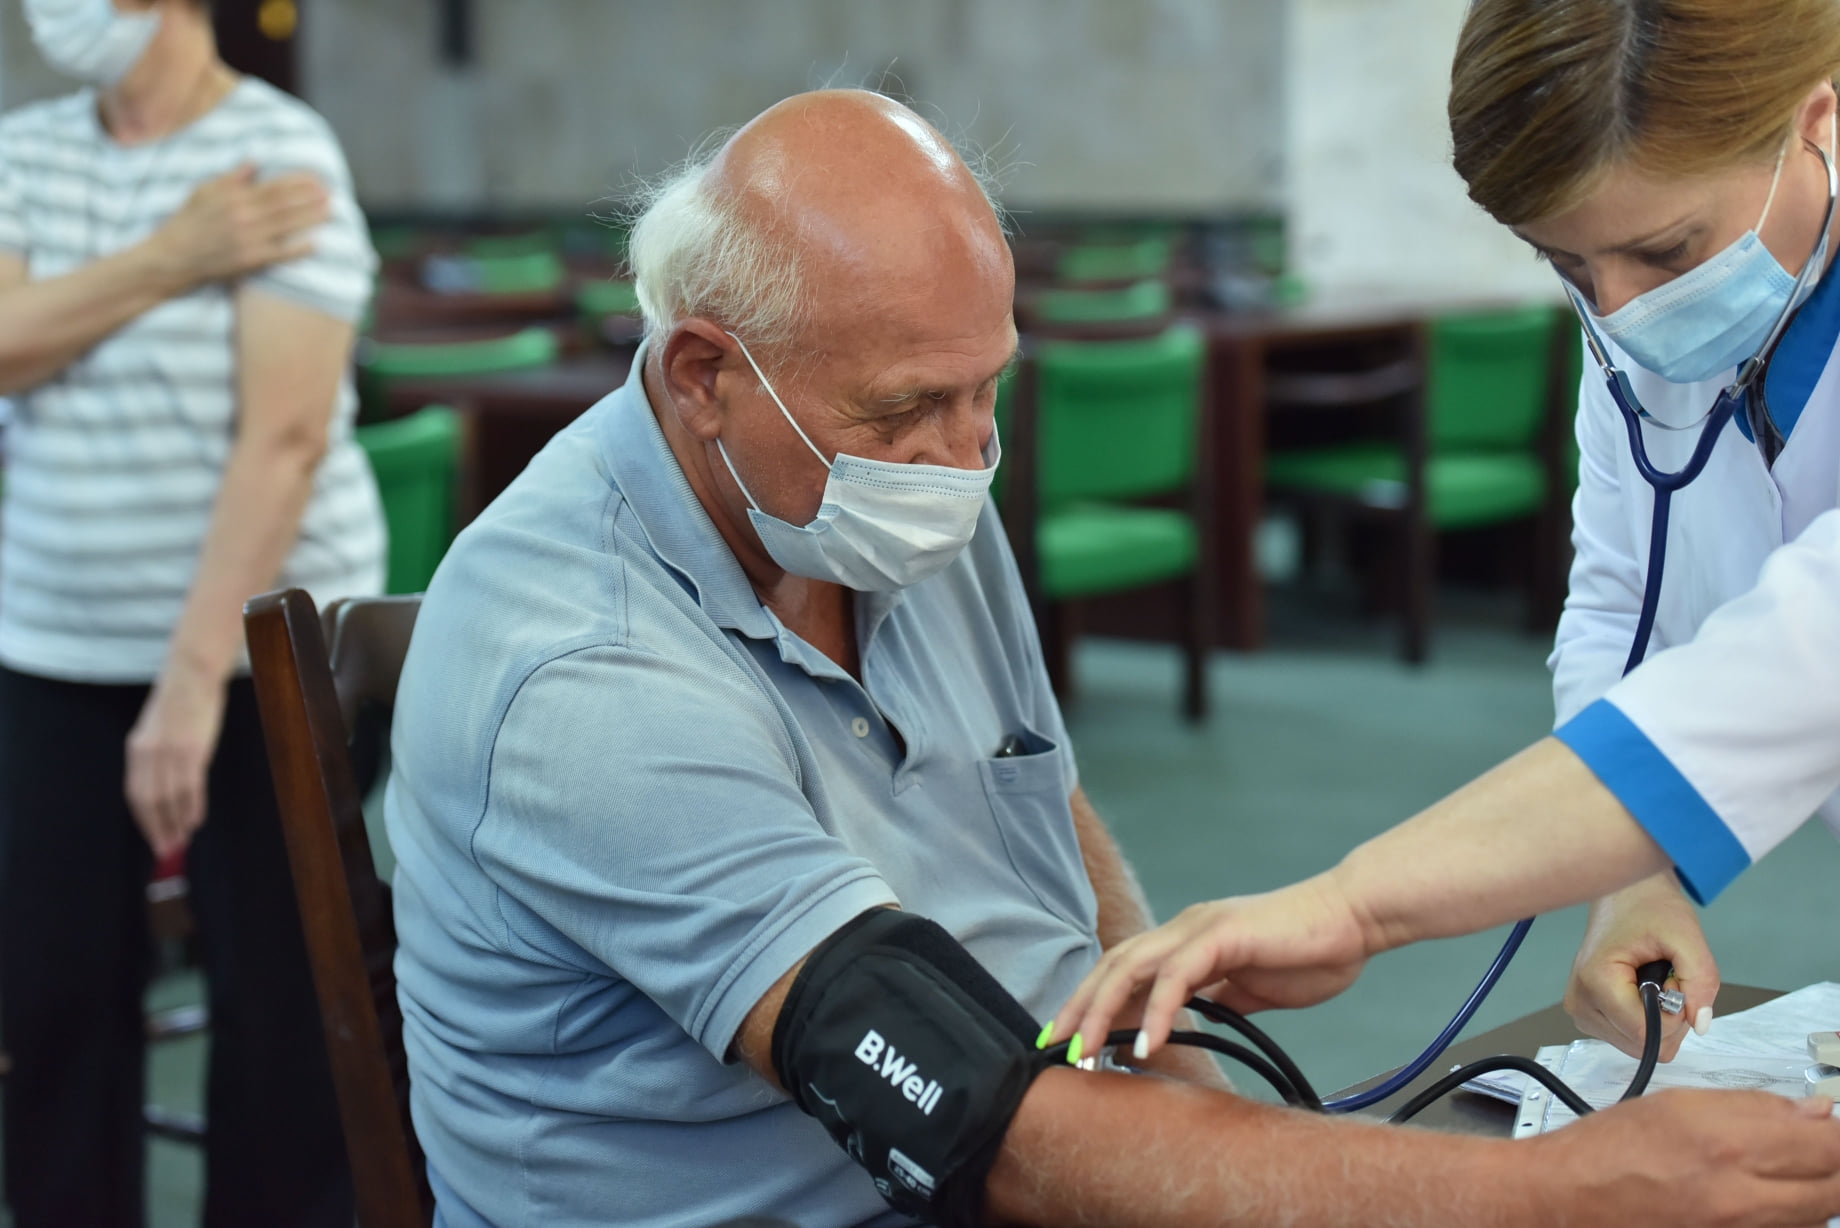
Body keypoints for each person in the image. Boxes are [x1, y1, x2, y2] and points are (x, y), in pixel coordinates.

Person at [385, 87, 1840, 1228]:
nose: (964, 464)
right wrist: (1543, 1202)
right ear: (707, 374)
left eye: (987, 393)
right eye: (908, 412)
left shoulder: (880, 507)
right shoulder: (580, 673)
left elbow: (1042, 807)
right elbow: (959, 1113)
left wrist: (1194, 1094)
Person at [1054, 0, 1840, 1088]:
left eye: (1665, 251)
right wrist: (1634, 879)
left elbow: (1801, 660)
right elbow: (1621, 597)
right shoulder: (1647, 322)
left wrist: (1351, 905)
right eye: (1565, 261)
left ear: (1819, 119)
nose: (1615, 310)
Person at [0, 0, 382, 1222]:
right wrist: (177, 253)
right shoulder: (26, 152)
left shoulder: (282, 154)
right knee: (49, 997)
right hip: (52, 636)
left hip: (253, 651)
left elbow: (282, 439)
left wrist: (187, 676)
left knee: (281, 1010)